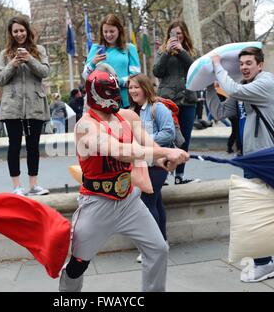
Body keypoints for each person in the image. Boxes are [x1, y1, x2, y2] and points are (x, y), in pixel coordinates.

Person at [59, 64, 189, 292]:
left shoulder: (127, 117)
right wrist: (166, 152)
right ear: (96, 94)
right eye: (110, 91)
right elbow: (121, 151)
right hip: (97, 203)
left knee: (158, 249)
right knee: (78, 264)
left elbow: (146, 146)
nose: (116, 96)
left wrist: (162, 159)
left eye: (116, 89)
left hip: (129, 201)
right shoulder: (85, 126)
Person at [206, 47, 274, 283]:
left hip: (264, 158)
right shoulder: (244, 90)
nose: (244, 67)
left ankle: (265, 263)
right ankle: (265, 257)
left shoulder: (266, 83)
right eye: (241, 64)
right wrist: (207, 85)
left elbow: (234, 88)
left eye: (249, 63)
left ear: (261, 65)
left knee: (255, 212)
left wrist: (217, 66)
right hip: (251, 158)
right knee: (260, 210)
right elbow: (219, 112)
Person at [0, 16, 50, 196]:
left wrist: (29, 59)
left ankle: (34, 185)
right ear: (11, 34)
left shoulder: (39, 50)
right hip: (12, 106)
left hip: (34, 105)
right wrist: (12, 64)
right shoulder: (5, 54)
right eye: (15, 31)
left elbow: (45, 72)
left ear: (27, 30)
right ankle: (17, 186)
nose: (19, 34)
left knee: (33, 146)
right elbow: (0, 79)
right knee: (14, 146)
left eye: (22, 30)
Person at [128, 73, 175, 263]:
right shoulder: (131, 110)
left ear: (145, 87)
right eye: (130, 88)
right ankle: (162, 242)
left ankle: (153, 248)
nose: (132, 91)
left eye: (136, 87)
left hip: (157, 162)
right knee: (156, 202)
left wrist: (145, 143)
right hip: (141, 162)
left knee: (148, 202)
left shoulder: (158, 107)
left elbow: (169, 132)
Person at [153, 20, 200, 185]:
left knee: (184, 139)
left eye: (179, 33)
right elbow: (157, 72)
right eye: (173, 34)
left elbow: (197, 69)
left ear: (184, 34)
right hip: (167, 101)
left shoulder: (192, 52)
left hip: (187, 99)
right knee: (166, 138)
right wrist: (166, 53)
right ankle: (163, 176)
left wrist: (182, 52)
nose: (176, 37)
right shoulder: (161, 51)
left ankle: (180, 175)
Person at [82, 14, 140, 109]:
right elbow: (85, 76)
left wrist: (116, 81)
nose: (108, 35)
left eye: (112, 31)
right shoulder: (95, 48)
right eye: (105, 32)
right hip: (101, 102)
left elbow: (136, 77)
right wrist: (93, 63)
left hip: (125, 102)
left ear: (119, 30)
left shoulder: (130, 48)